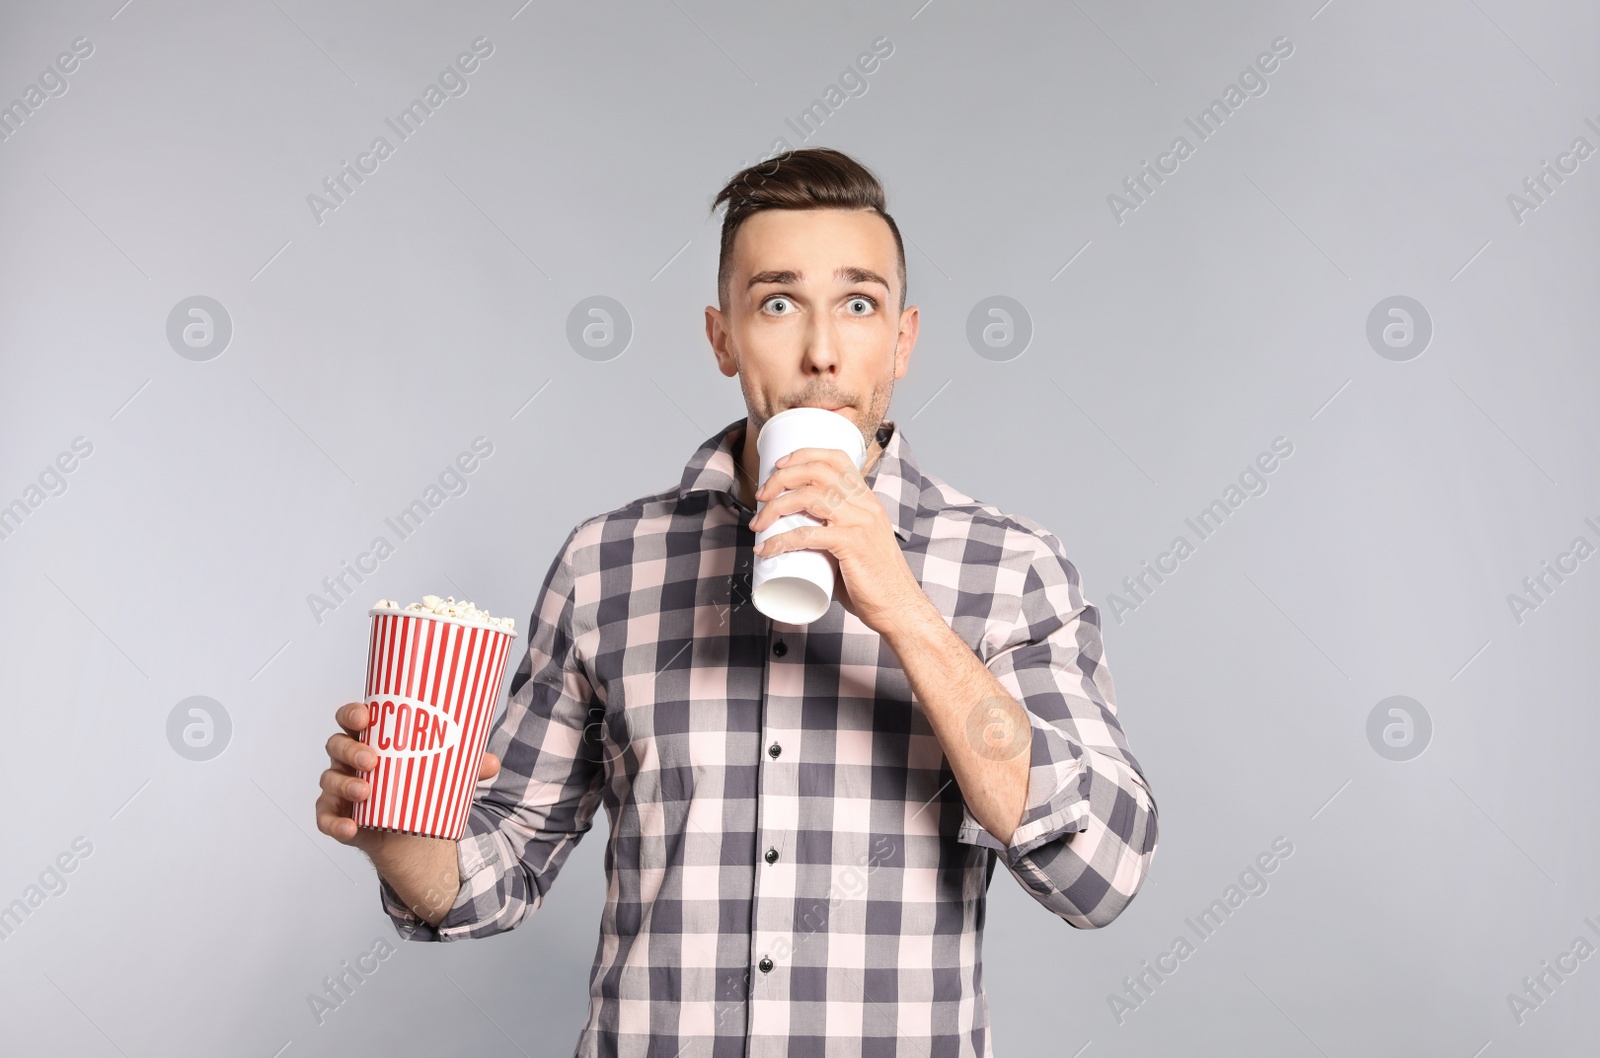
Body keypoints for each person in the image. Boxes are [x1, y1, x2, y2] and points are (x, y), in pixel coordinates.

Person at [316, 146, 1158, 1057]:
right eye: (779, 302)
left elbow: (1099, 873)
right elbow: (502, 864)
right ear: (723, 337)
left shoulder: (1011, 568)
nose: (822, 351)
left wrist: (907, 612)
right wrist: (396, 831)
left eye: (859, 303)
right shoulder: (607, 565)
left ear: (903, 340)